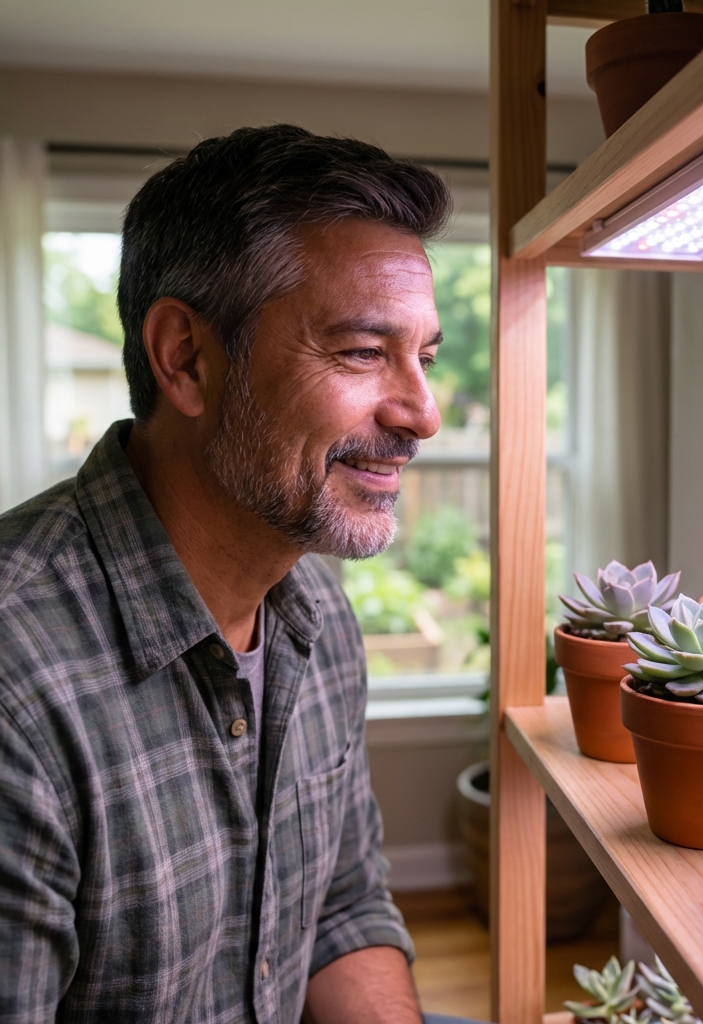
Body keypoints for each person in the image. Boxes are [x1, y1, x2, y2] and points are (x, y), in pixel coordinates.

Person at [0, 125, 480, 1024]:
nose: (423, 413)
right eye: (362, 351)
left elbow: (342, 909)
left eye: (427, 355)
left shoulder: (319, 616)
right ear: (185, 357)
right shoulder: (16, 686)